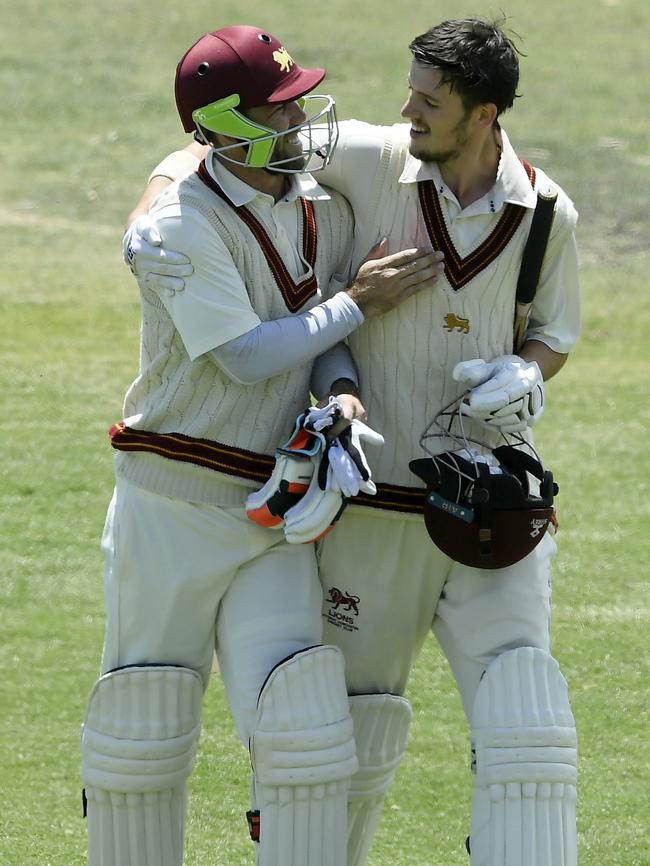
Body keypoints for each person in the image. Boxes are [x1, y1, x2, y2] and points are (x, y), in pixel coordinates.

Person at [126, 18, 581, 866]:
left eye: (429, 100)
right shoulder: (372, 158)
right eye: (411, 90)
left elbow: (554, 331)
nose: (406, 108)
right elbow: (211, 151)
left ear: (483, 115)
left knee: (531, 735)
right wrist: (150, 205)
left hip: (488, 506)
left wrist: (529, 372)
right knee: (344, 745)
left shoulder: (548, 212)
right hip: (369, 513)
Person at [81, 23, 444, 866]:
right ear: (226, 125)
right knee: (146, 726)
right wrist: (357, 304)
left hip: (269, 512)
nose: (297, 122)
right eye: (276, 110)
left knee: (304, 730)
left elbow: (314, 336)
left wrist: (343, 390)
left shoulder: (311, 200)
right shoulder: (178, 228)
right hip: (170, 502)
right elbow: (246, 357)